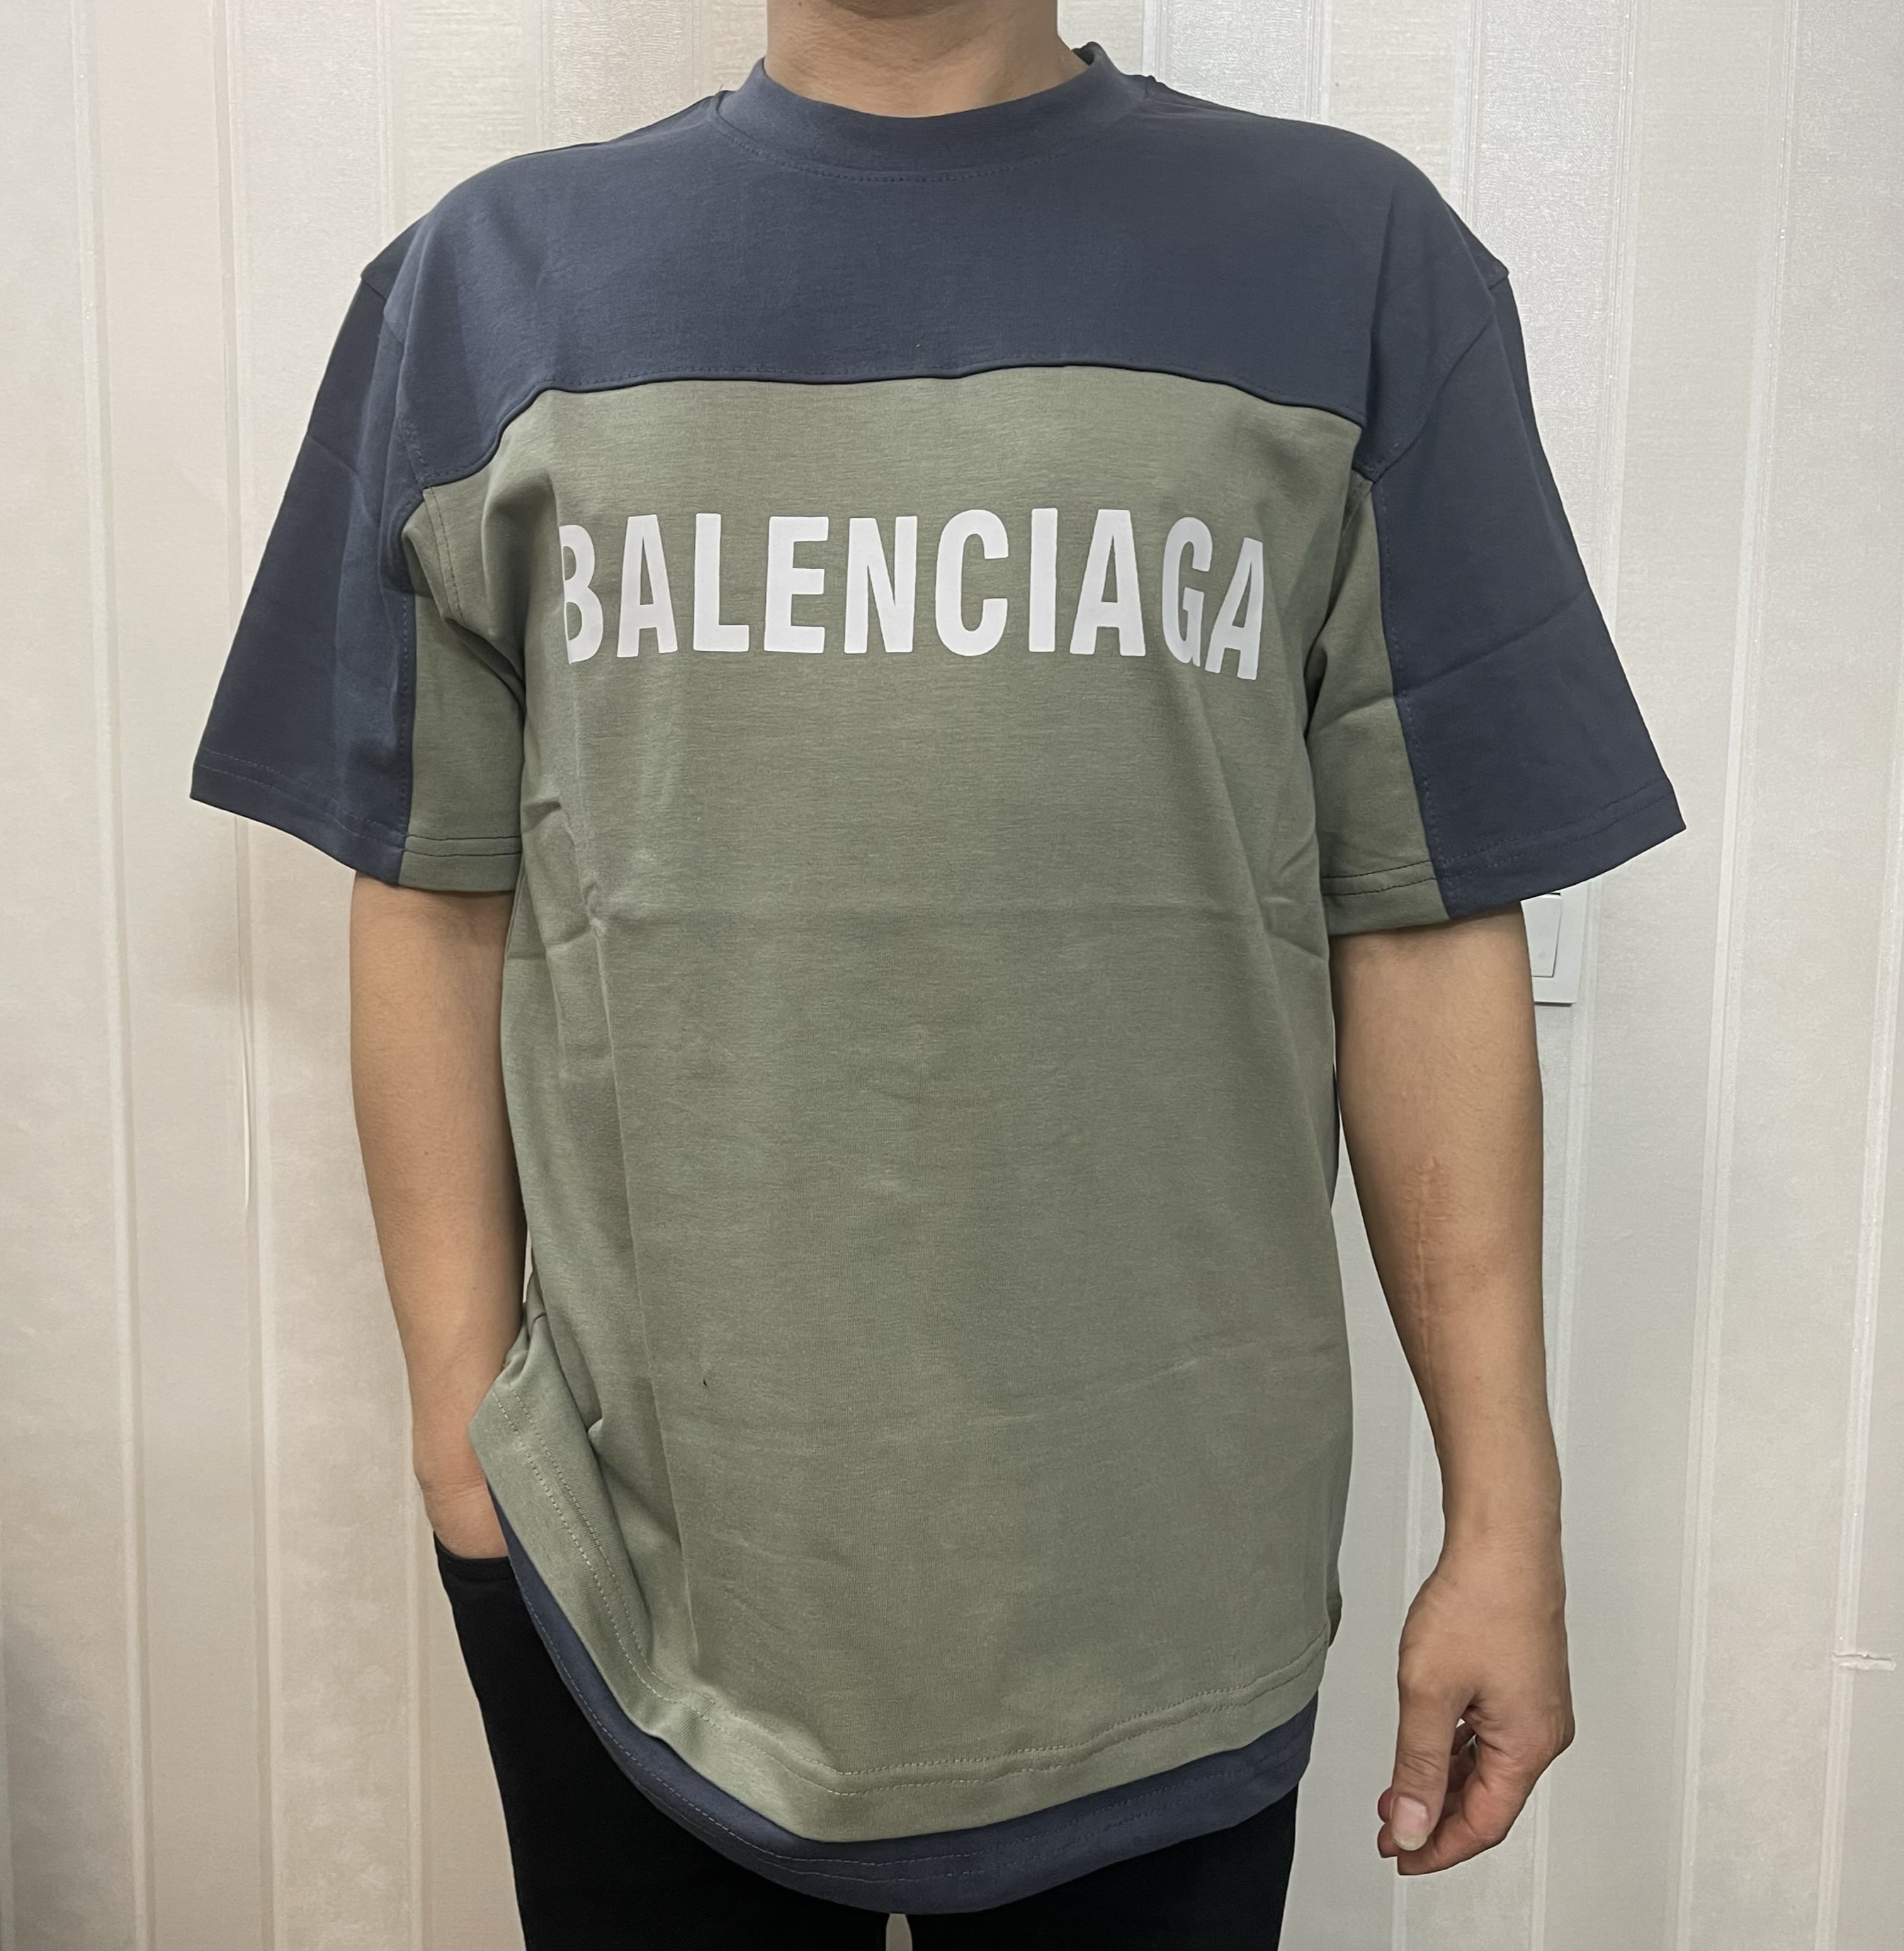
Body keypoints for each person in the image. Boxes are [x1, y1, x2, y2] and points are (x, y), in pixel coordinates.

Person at [189, 2, 1683, 1943]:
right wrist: (462, 1446)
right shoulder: (486, 288)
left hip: (1167, 1598)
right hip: (636, 1578)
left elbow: (1418, 909)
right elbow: (430, 888)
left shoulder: (1350, 263)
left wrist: (1505, 1519)